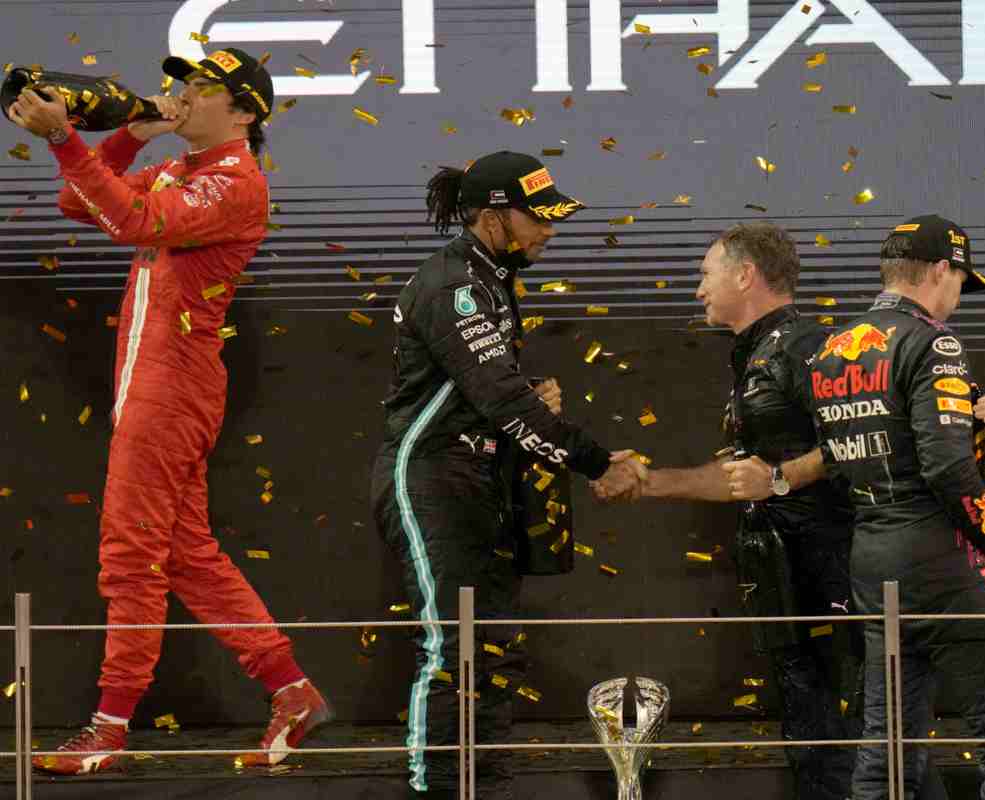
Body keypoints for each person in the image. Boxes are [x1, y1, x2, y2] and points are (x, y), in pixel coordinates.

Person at [8, 48, 328, 774]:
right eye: (180, 82)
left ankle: (109, 728)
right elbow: (79, 202)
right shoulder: (182, 168)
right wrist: (129, 135)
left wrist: (63, 136)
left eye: (201, 87)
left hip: (173, 387)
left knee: (131, 554)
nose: (180, 94)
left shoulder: (236, 183)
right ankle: (291, 688)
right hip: (155, 383)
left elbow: (129, 221)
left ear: (243, 113)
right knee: (184, 553)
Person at [629, 222, 973, 800]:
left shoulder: (809, 347)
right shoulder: (753, 355)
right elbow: (747, 477)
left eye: (705, 274)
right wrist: (650, 483)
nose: (698, 288)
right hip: (786, 580)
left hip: (835, 573)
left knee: (861, 733)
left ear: (745, 275)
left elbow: (861, 441)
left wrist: (780, 479)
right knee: (814, 733)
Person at [371, 152, 645, 798]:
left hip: (476, 479)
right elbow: (501, 402)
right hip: (431, 478)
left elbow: (484, 392)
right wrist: (598, 461)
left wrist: (526, 393)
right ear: (493, 217)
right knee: (454, 652)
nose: (550, 230)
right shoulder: (455, 286)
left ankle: (487, 787)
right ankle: (441, 790)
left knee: (492, 649)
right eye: (538, 217)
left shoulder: (488, 279)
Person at [809, 215, 985, 799]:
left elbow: (842, 464)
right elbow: (945, 467)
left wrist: (966, 421)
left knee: (888, 748)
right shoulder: (933, 342)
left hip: (872, 558)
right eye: (962, 282)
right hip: (940, 557)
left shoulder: (832, 350)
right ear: (942, 269)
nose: (959, 297)